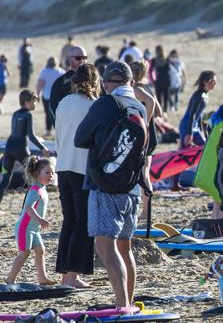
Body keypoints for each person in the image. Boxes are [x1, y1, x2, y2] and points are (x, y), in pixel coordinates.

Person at [74, 61, 146, 308]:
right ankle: (129, 302)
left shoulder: (104, 104)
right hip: (132, 188)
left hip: (105, 185)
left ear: (105, 84)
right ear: (131, 82)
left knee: (106, 247)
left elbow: (80, 139)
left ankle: (122, 305)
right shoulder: (139, 107)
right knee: (125, 249)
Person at [55, 63, 100, 288]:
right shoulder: (93, 105)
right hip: (82, 168)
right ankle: (72, 276)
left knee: (69, 220)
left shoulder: (64, 102)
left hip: (62, 165)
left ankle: (66, 275)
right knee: (82, 222)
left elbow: (58, 135)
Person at [5, 156, 56, 285]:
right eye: (47, 172)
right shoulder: (35, 190)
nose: (51, 175)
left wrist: (39, 222)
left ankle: (42, 278)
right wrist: (40, 220)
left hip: (34, 229)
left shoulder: (42, 189)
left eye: (52, 173)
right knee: (24, 253)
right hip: (25, 228)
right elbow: (28, 207)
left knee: (40, 250)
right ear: (35, 174)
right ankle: (10, 278)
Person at [0, 90, 50, 202]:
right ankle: (37, 202)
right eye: (34, 102)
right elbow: (31, 136)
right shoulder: (28, 115)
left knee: (5, 180)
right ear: (27, 102)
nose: (35, 104)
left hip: (8, 149)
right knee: (36, 175)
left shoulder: (15, 113)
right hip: (21, 149)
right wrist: (43, 148)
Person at [130, 60, 163, 217]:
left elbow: (150, 103)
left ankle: (145, 211)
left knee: (143, 173)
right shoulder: (148, 87)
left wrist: (145, 121)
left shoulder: (136, 88)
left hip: (146, 134)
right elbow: (160, 111)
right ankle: (146, 209)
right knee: (145, 172)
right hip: (151, 134)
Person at [48, 45, 88, 126]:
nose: (82, 61)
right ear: (69, 60)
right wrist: (60, 129)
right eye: (78, 58)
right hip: (69, 130)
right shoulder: (60, 83)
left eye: (85, 57)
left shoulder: (95, 80)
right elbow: (53, 108)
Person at [36, 57, 65, 137]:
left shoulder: (44, 72)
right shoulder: (61, 72)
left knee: (48, 114)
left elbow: (40, 85)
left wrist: (37, 94)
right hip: (59, 96)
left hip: (46, 96)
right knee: (58, 114)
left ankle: (48, 131)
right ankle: (59, 130)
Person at [152, 45, 170, 112]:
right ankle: (165, 111)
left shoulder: (154, 60)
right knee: (166, 97)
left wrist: (153, 80)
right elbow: (169, 70)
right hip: (166, 80)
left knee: (159, 98)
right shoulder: (167, 59)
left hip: (158, 81)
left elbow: (151, 71)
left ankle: (160, 112)